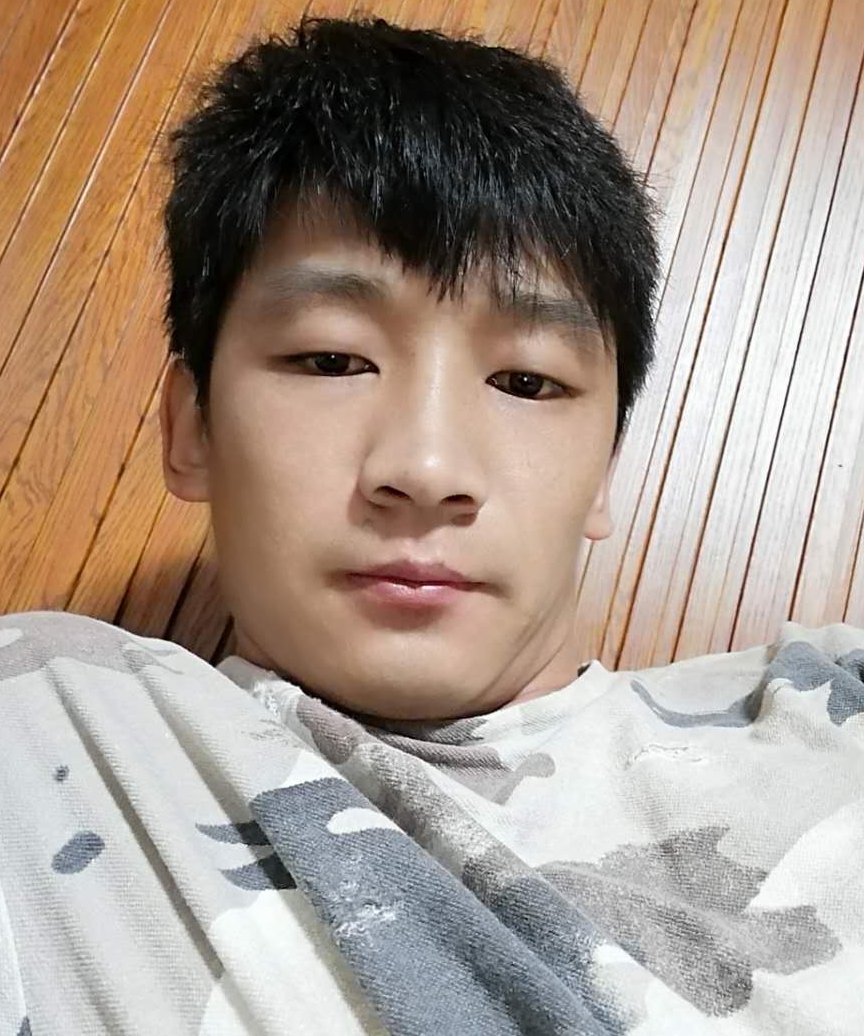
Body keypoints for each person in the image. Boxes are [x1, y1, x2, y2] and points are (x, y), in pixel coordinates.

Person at [1, 15, 862, 1036]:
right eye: (331, 360)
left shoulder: (828, 714)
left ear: (603, 471)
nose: (426, 470)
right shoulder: (50, 732)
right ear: (191, 428)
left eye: (527, 381)